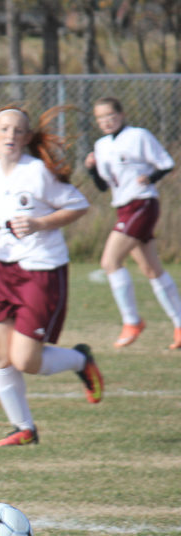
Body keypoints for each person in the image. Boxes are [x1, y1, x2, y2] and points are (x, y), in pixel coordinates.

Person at [0, 105, 104, 448]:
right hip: (5, 270)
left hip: (42, 269)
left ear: (25, 138)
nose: (10, 135)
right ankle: (23, 428)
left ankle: (80, 360)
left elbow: (78, 205)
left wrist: (39, 223)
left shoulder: (37, 172)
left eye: (18, 130)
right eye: (4, 129)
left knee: (25, 360)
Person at [83, 96, 180, 350]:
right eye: (101, 118)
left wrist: (150, 178)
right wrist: (91, 169)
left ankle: (132, 321)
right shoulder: (101, 145)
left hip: (142, 203)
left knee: (110, 261)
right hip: (123, 208)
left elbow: (166, 164)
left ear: (122, 114)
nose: (106, 121)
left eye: (110, 115)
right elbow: (103, 186)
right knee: (151, 269)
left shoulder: (138, 135)